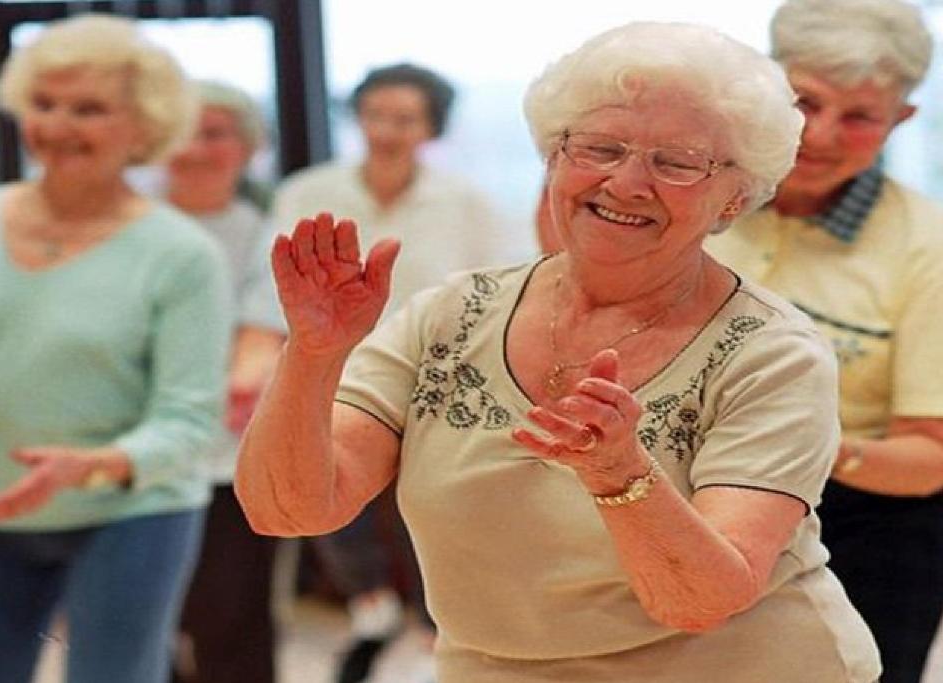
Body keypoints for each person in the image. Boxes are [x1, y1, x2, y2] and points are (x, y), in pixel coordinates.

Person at [235, 21, 882, 683]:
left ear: (734, 198)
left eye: (678, 162)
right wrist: (314, 355)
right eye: (600, 147)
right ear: (554, 157)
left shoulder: (774, 354)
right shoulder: (449, 316)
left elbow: (700, 600)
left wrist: (620, 474)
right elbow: (289, 508)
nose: (627, 182)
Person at [0, 15, 232, 683]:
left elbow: (188, 419)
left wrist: (91, 465)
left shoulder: (181, 255)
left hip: (131, 513)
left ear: (143, 126)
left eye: (87, 108)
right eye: (44, 103)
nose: (57, 126)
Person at [705, 1, 943, 681]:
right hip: (676, 500)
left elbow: (930, 453)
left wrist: (790, 442)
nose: (822, 133)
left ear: (901, 121)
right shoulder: (693, 196)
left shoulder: (928, 246)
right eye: (805, 100)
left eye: (862, 116)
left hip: (864, 532)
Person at [270, 61, 521, 682]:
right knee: (327, 490)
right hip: (331, 374)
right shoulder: (307, 192)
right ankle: (369, 607)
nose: (387, 130)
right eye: (376, 115)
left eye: (404, 118)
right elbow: (270, 291)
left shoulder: (466, 203)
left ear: (430, 127)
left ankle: (431, 629)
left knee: (428, 506)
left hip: (435, 384)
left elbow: (496, 297)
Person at [165, 79, 285, 683]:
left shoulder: (265, 232)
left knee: (232, 621)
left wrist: (242, 381)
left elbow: (263, 336)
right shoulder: (130, 228)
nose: (194, 147)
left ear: (246, 147)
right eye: (182, 130)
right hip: (124, 461)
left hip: (227, 462)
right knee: (141, 623)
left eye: (212, 133)